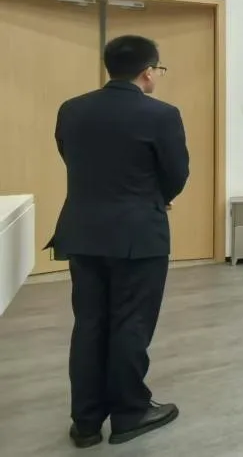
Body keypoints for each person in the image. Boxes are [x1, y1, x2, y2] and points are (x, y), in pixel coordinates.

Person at [45, 35, 189, 447]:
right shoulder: (162, 114)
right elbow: (176, 173)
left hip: (83, 231)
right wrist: (152, 197)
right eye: (158, 70)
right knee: (131, 323)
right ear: (148, 71)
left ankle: (86, 422)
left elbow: (70, 157)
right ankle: (130, 413)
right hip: (138, 235)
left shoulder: (72, 109)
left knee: (89, 323)